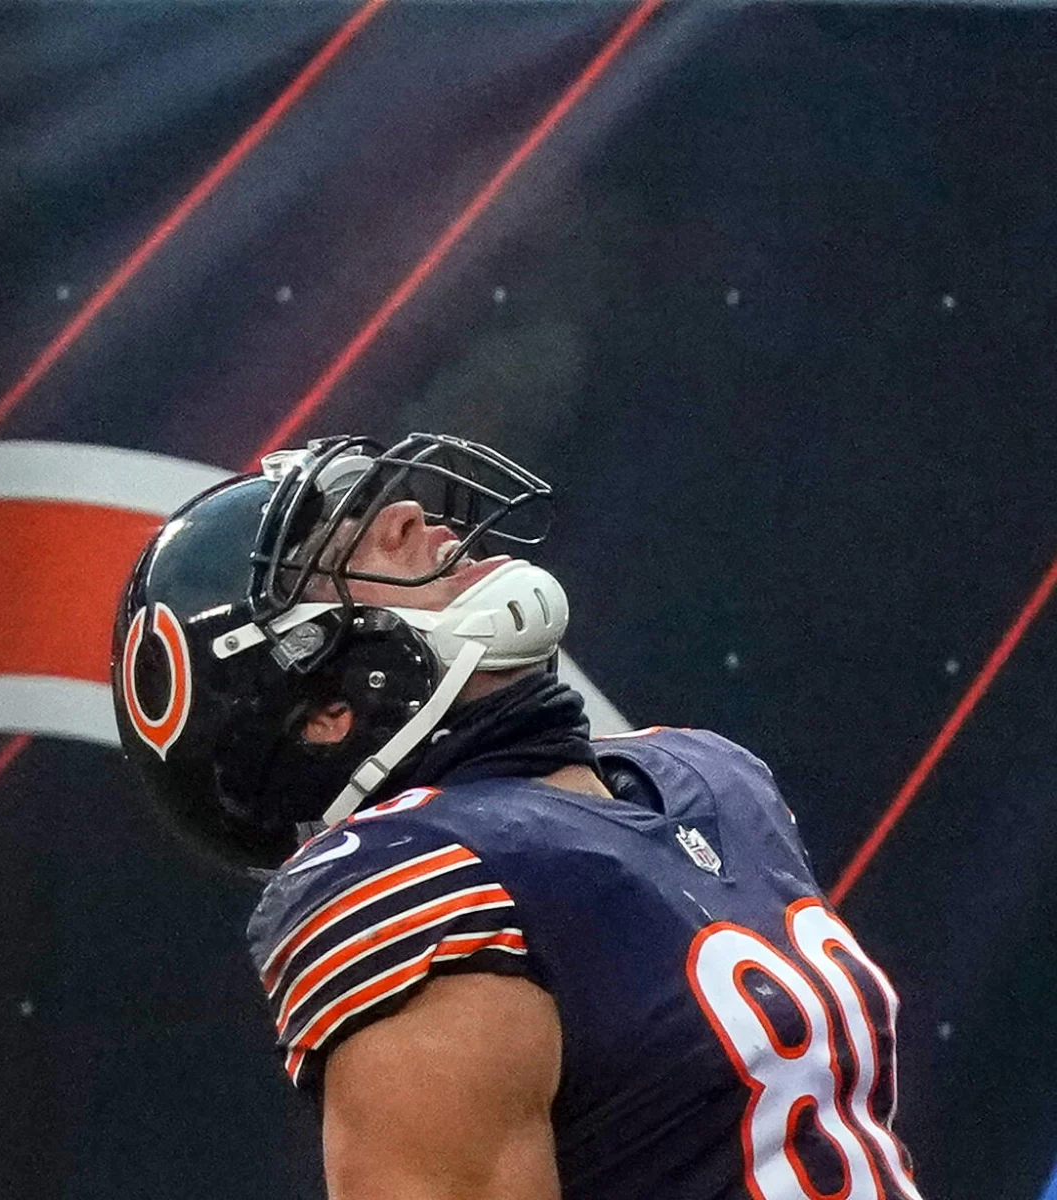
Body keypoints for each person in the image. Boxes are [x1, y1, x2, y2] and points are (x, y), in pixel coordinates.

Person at [110, 434, 924, 1200]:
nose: (409, 517)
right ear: (324, 709)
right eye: (334, 550)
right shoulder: (411, 877)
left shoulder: (707, 776)